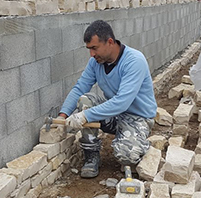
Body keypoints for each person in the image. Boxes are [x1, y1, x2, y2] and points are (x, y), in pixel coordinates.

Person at [58, 20, 157, 178]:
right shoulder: (95, 63)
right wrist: (62, 115)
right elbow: (79, 88)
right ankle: (91, 156)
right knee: (85, 100)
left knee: (126, 156)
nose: (91, 54)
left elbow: (122, 102)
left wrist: (84, 116)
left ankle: (135, 140)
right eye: (89, 49)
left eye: (94, 48)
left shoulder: (133, 61)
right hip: (115, 115)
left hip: (138, 117)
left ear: (110, 42)